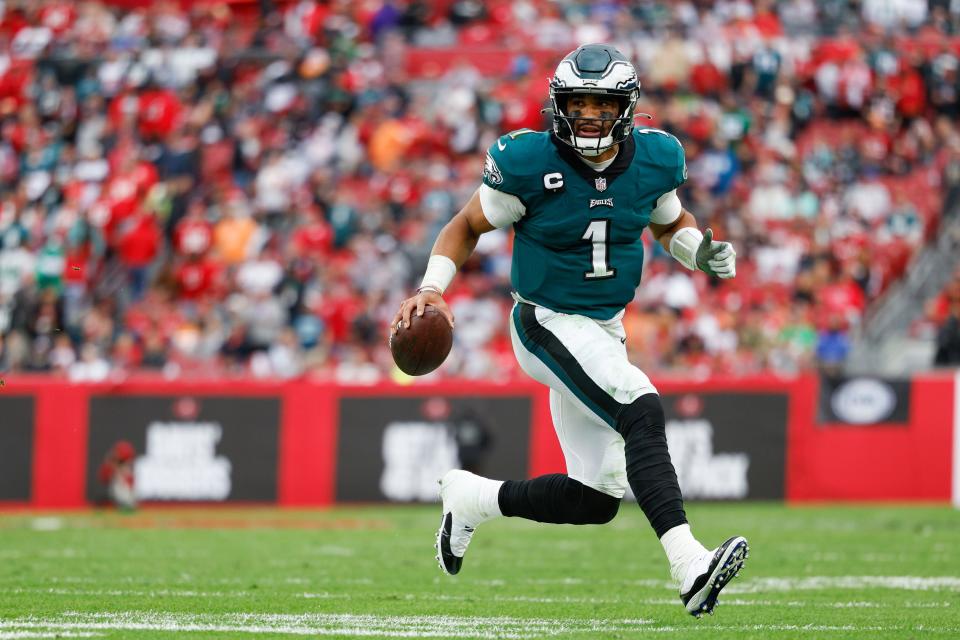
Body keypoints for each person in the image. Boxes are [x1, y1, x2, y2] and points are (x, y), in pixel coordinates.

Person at [391, 44, 746, 618]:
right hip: (546, 320)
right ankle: (689, 564)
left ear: (626, 108)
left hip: (605, 328)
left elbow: (668, 220)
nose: (586, 115)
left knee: (596, 499)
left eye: (600, 104)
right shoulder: (528, 162)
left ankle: (472, 498)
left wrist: (696, 252)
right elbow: (465, 225)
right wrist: (433, 287)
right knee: (640, 405)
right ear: (557, 104)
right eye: (576, 102)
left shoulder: (656, 160)